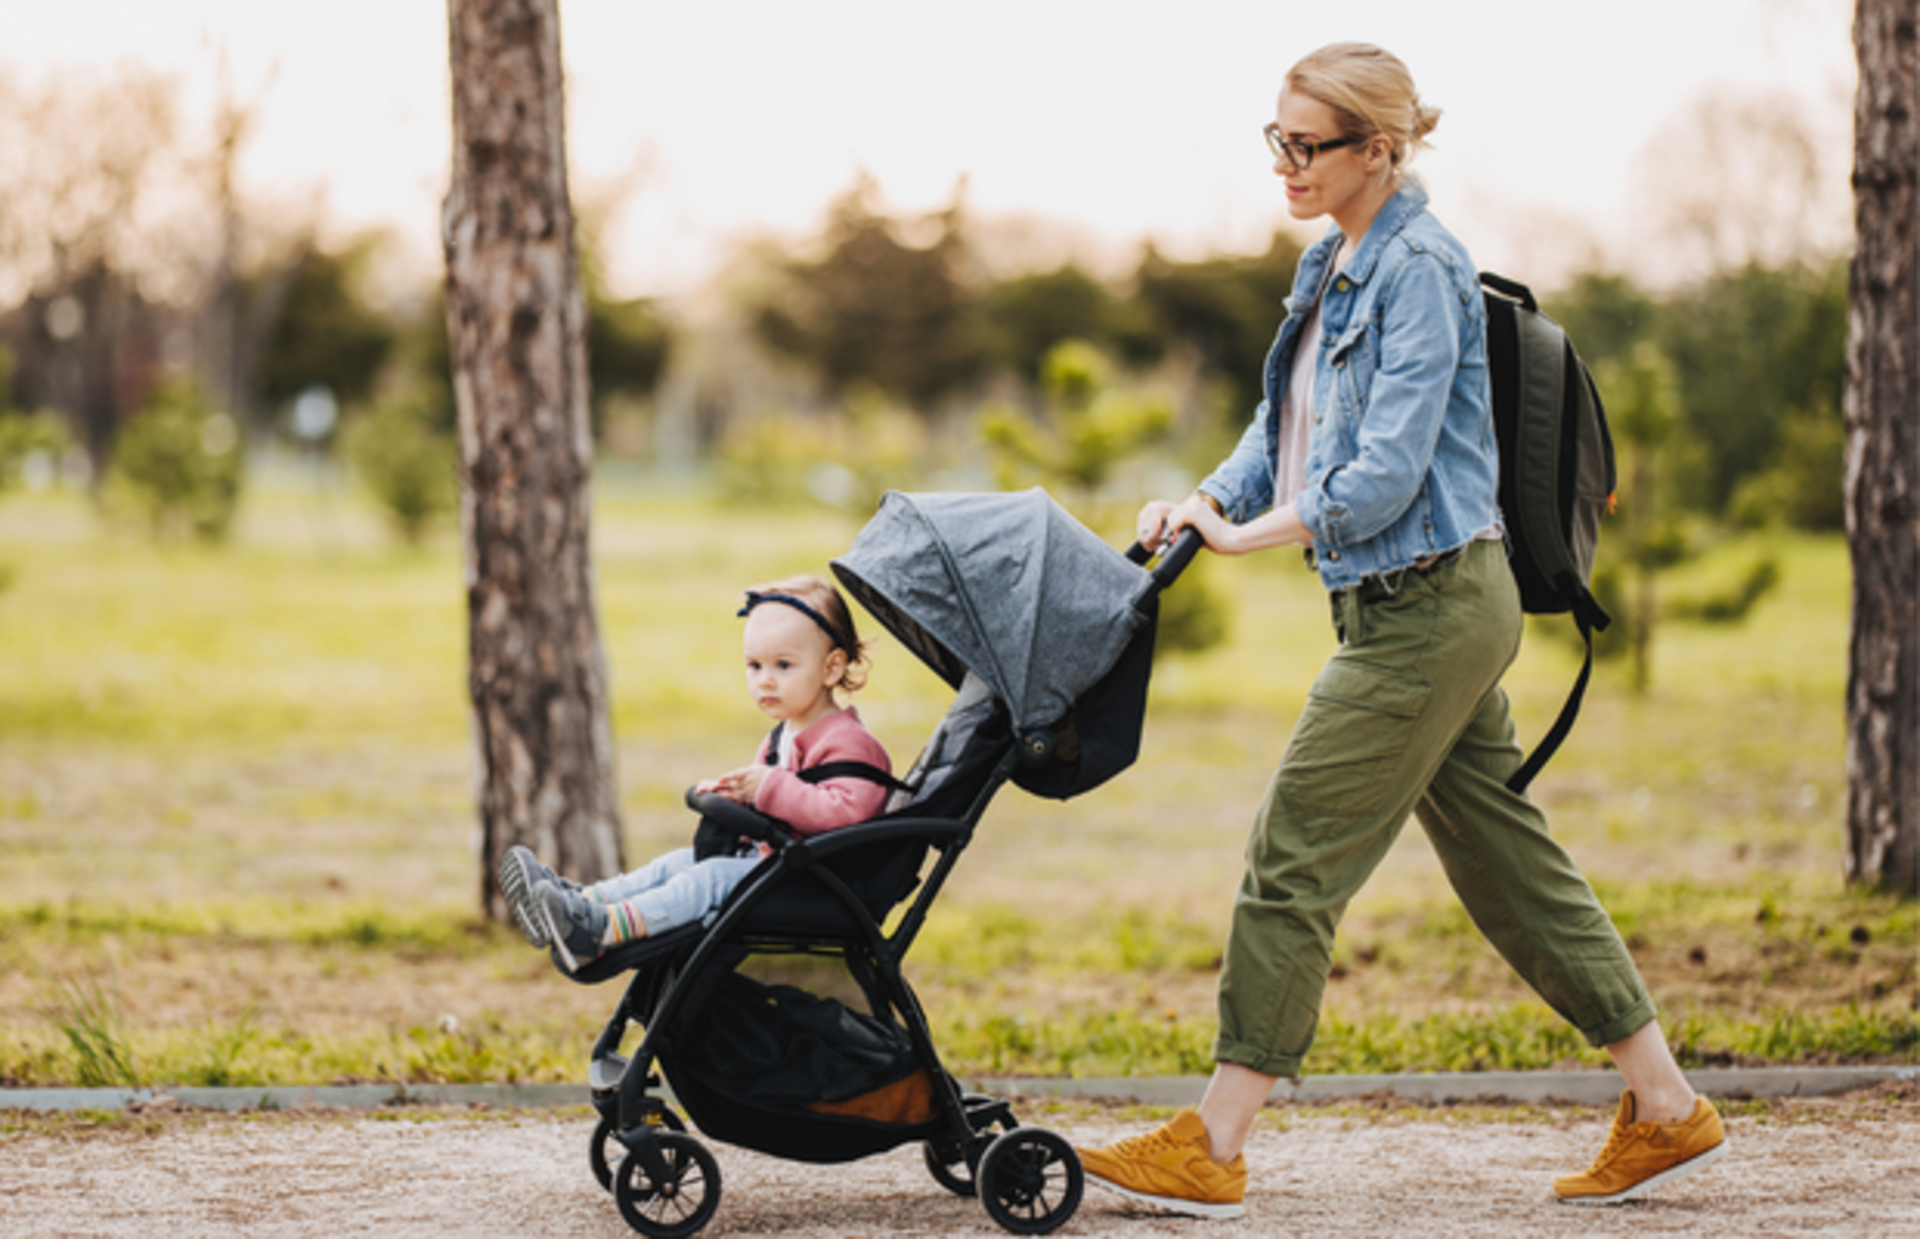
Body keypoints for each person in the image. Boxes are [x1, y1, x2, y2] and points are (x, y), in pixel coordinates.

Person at [1074, 42, 1726, 1220]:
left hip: (1430, 606)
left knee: (1292, 861)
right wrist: (1209, 499)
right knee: (1508, 864)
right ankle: (1670, 1107)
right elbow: (1285, 427)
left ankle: (1213, 1144)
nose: (1285, 164)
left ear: (1381, 147)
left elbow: (1381, 476)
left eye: (1306, 144)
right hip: (1404, 606)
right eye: (1276, 139)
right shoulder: (1331, 262)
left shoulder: (1421, 267)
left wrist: (1248, 538)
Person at [499, 574, 893, 971]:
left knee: (708, 881)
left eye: (784, 665)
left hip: (819, 889)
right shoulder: (781, 737)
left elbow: (847, 816)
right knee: (674, 864)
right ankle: (582, 903)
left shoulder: (852, 745)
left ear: (831, 668)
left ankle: (600, 932)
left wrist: (768, 789)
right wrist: (736, 799)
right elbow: (778, 810)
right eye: (754, 666)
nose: (765, 680)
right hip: (781, 868)